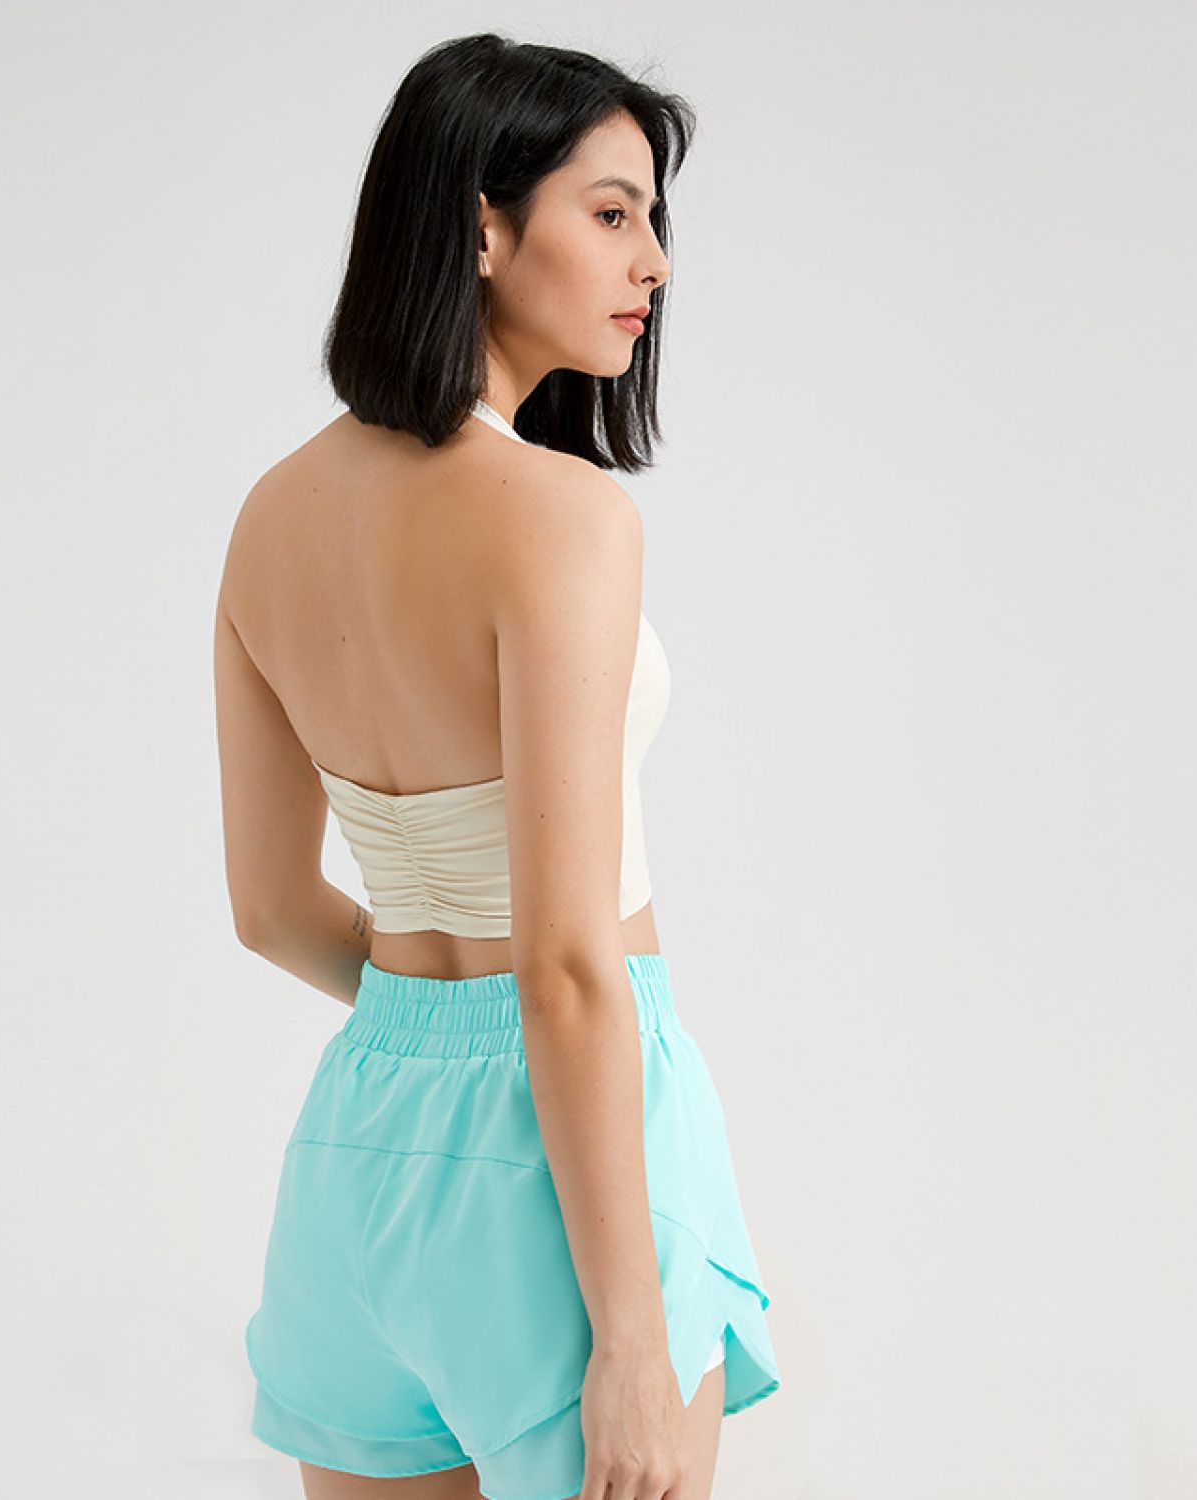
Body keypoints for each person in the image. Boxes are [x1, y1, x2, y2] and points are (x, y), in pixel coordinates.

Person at [212, 32, 781, 1500]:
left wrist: (435, 1019)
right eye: (611, 211)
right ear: (481, 225)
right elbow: (567, 970)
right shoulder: (561, 518)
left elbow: (270, 909)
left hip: (357, 1161)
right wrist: (631, 1340)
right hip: (565, 1167)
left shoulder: (270, 519)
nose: (654, 261)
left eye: (654, 218)